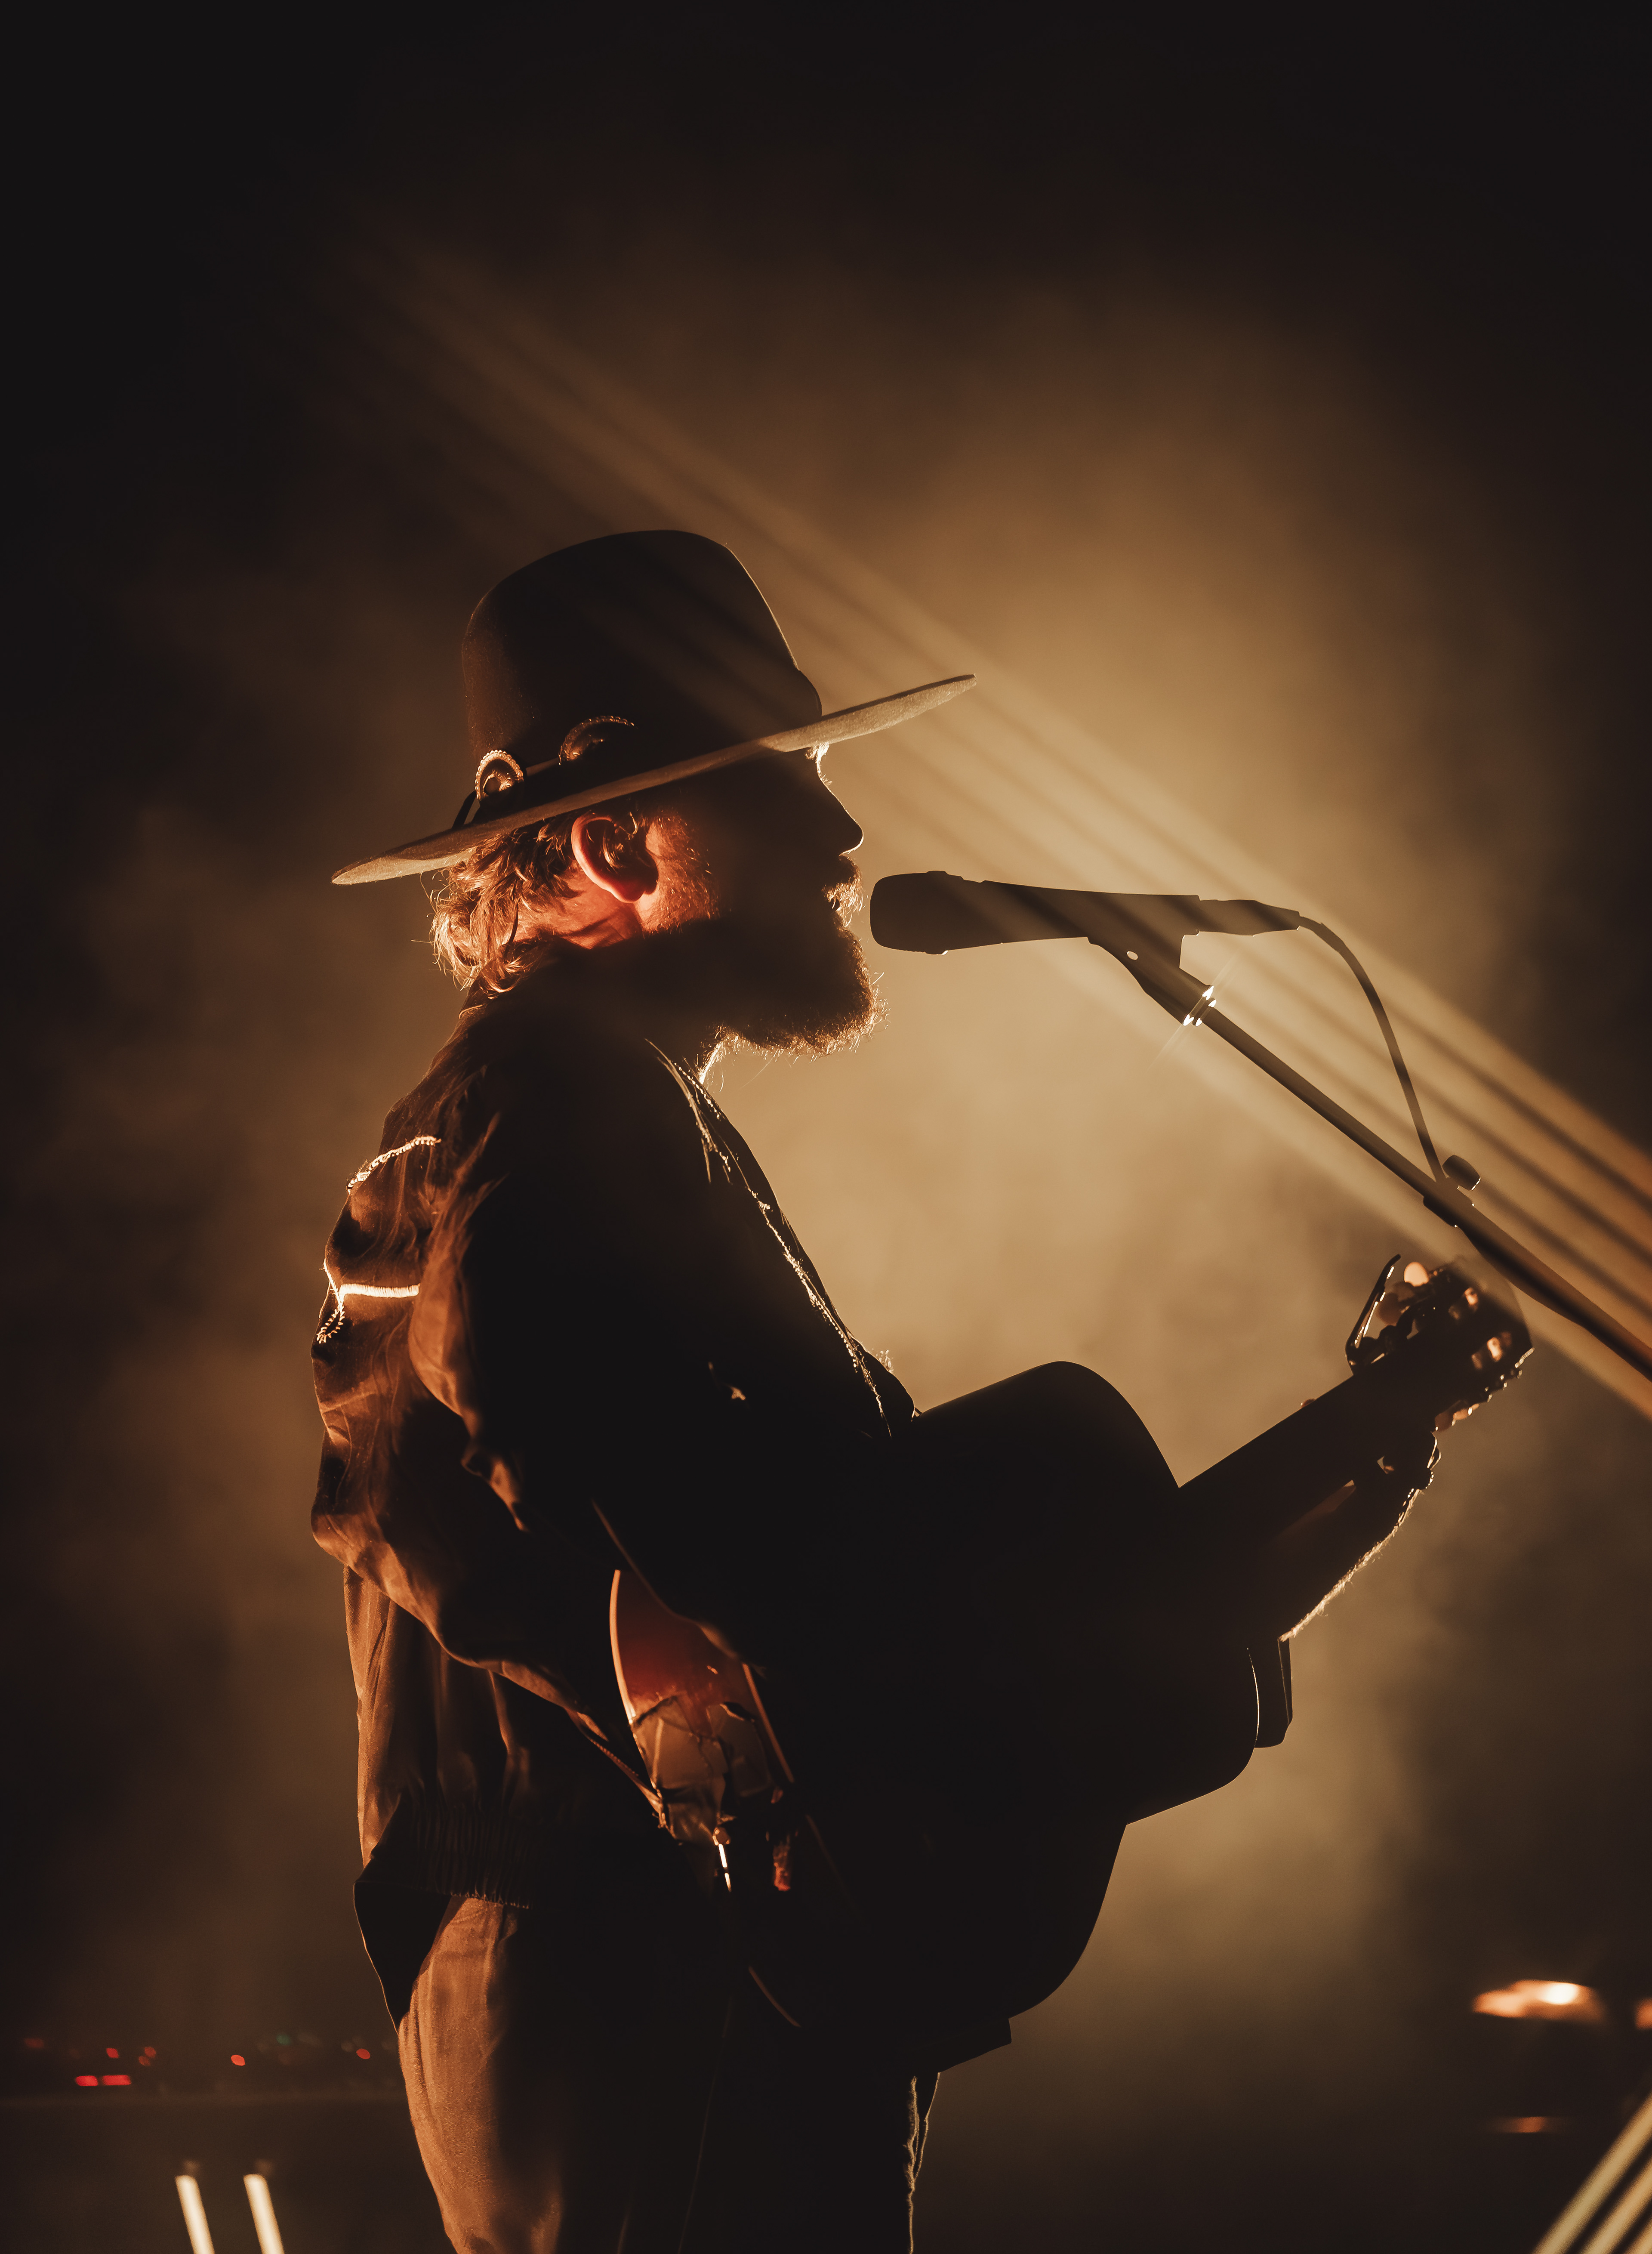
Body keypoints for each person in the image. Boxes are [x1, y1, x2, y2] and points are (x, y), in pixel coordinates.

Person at [311, 531, 1463, 2252]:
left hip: (646, 1966)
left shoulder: (572, 1103)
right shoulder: (554, 1095)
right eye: (781, 789)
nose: (847, 839)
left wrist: (1378, 1436)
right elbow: (508, 1440)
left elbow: (845, 1595)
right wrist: (704, 1707)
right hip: (650, 1972)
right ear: (612, 843)